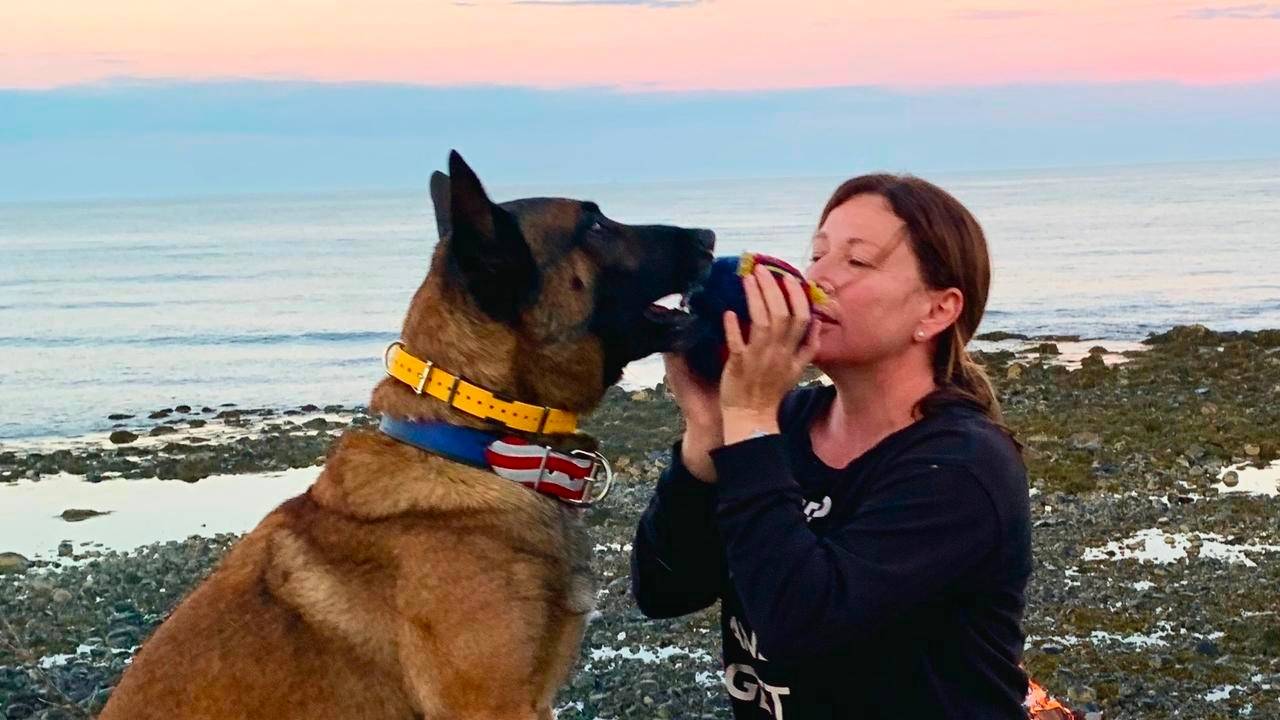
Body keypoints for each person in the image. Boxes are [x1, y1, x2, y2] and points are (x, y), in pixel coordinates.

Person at [630, 174, 1033, 719]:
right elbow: (664, 590)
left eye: (857, 261)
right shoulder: (785, 424)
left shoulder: (962, 467)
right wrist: (709, 433)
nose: (817, 278)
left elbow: (801, 623)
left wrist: (750, 418)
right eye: (817, 255)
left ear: (937, 310)